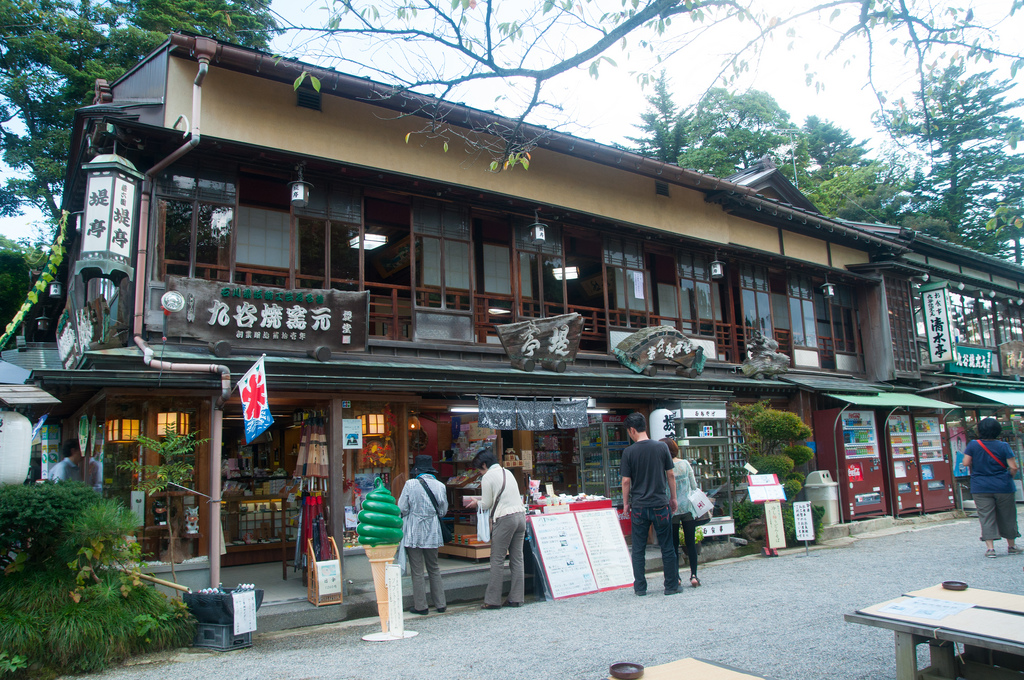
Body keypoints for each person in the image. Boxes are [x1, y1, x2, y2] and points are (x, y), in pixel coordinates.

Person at [621, 412, 678, 596]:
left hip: (639, 506)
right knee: (667, 546)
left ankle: (640, 588)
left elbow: (626, 481)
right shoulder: (661, 447)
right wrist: (673, 498)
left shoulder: (629, 452)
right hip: (660, 504)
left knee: (638, 549)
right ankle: (670, 586)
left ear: (632, 430)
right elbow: (670, 474)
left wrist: (625, 503)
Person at [466, 450, 526, 609]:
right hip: (520, 516)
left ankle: (492, 600)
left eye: (480, 469)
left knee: (497, 559)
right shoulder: (508, 472)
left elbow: (485, 504)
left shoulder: (488, 477)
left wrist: (475, 503)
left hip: (505, 518)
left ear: (484, 465)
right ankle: (517, 598)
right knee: (517, 559)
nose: (480, 472)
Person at [397, 455, 448, 614]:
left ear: (417, 470)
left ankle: (421, 606)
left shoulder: (410, 484)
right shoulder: (440, 486)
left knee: (417, 570)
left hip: (414, 532)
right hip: (433, 531)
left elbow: (402, 508)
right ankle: (441, 604)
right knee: (434, 567)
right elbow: (443, 511)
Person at [962, 418, 1021, 558]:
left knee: (986, 516)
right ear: (997, 431)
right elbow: (1013, 467)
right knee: (1008, 515)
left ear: (980, 430)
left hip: (980, 486)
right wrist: (1008, 477)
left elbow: (965, 462)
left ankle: (990, 549)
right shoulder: (1004, 446)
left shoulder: (973, 445)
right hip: (1003, 485)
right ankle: (1011, 545)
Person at [663, 437, 702, 588]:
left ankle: (677, 577)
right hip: (687, 507)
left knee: (673, 545)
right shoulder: (685, 464)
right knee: (691, 542)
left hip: (672, 509)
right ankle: (693, 575)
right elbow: (694, 485)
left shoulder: (664, 467)